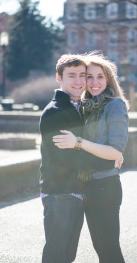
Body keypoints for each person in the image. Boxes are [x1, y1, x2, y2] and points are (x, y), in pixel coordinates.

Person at [39, 54, 120, 263]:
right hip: (60, 193)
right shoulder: (56, 111)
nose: (78, 81)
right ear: (59, 77)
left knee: (67, 255)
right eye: (71, 75)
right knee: (57, 254)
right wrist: (109, 160)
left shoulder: (78, 107)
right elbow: (70, 158)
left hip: (75, 192)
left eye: (82, 76)